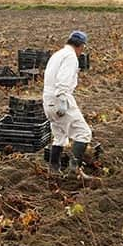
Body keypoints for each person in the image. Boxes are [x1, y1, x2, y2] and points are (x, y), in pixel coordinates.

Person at [43, 30, 92, 174]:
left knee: (59, 136)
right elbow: (63, 80)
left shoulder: (57, 54)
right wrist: (63, 101)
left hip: (48, 100)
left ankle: (53, 169)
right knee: (83, 133)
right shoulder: (70, 57)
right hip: (60, 100)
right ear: (81, 46)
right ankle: (74, 169)